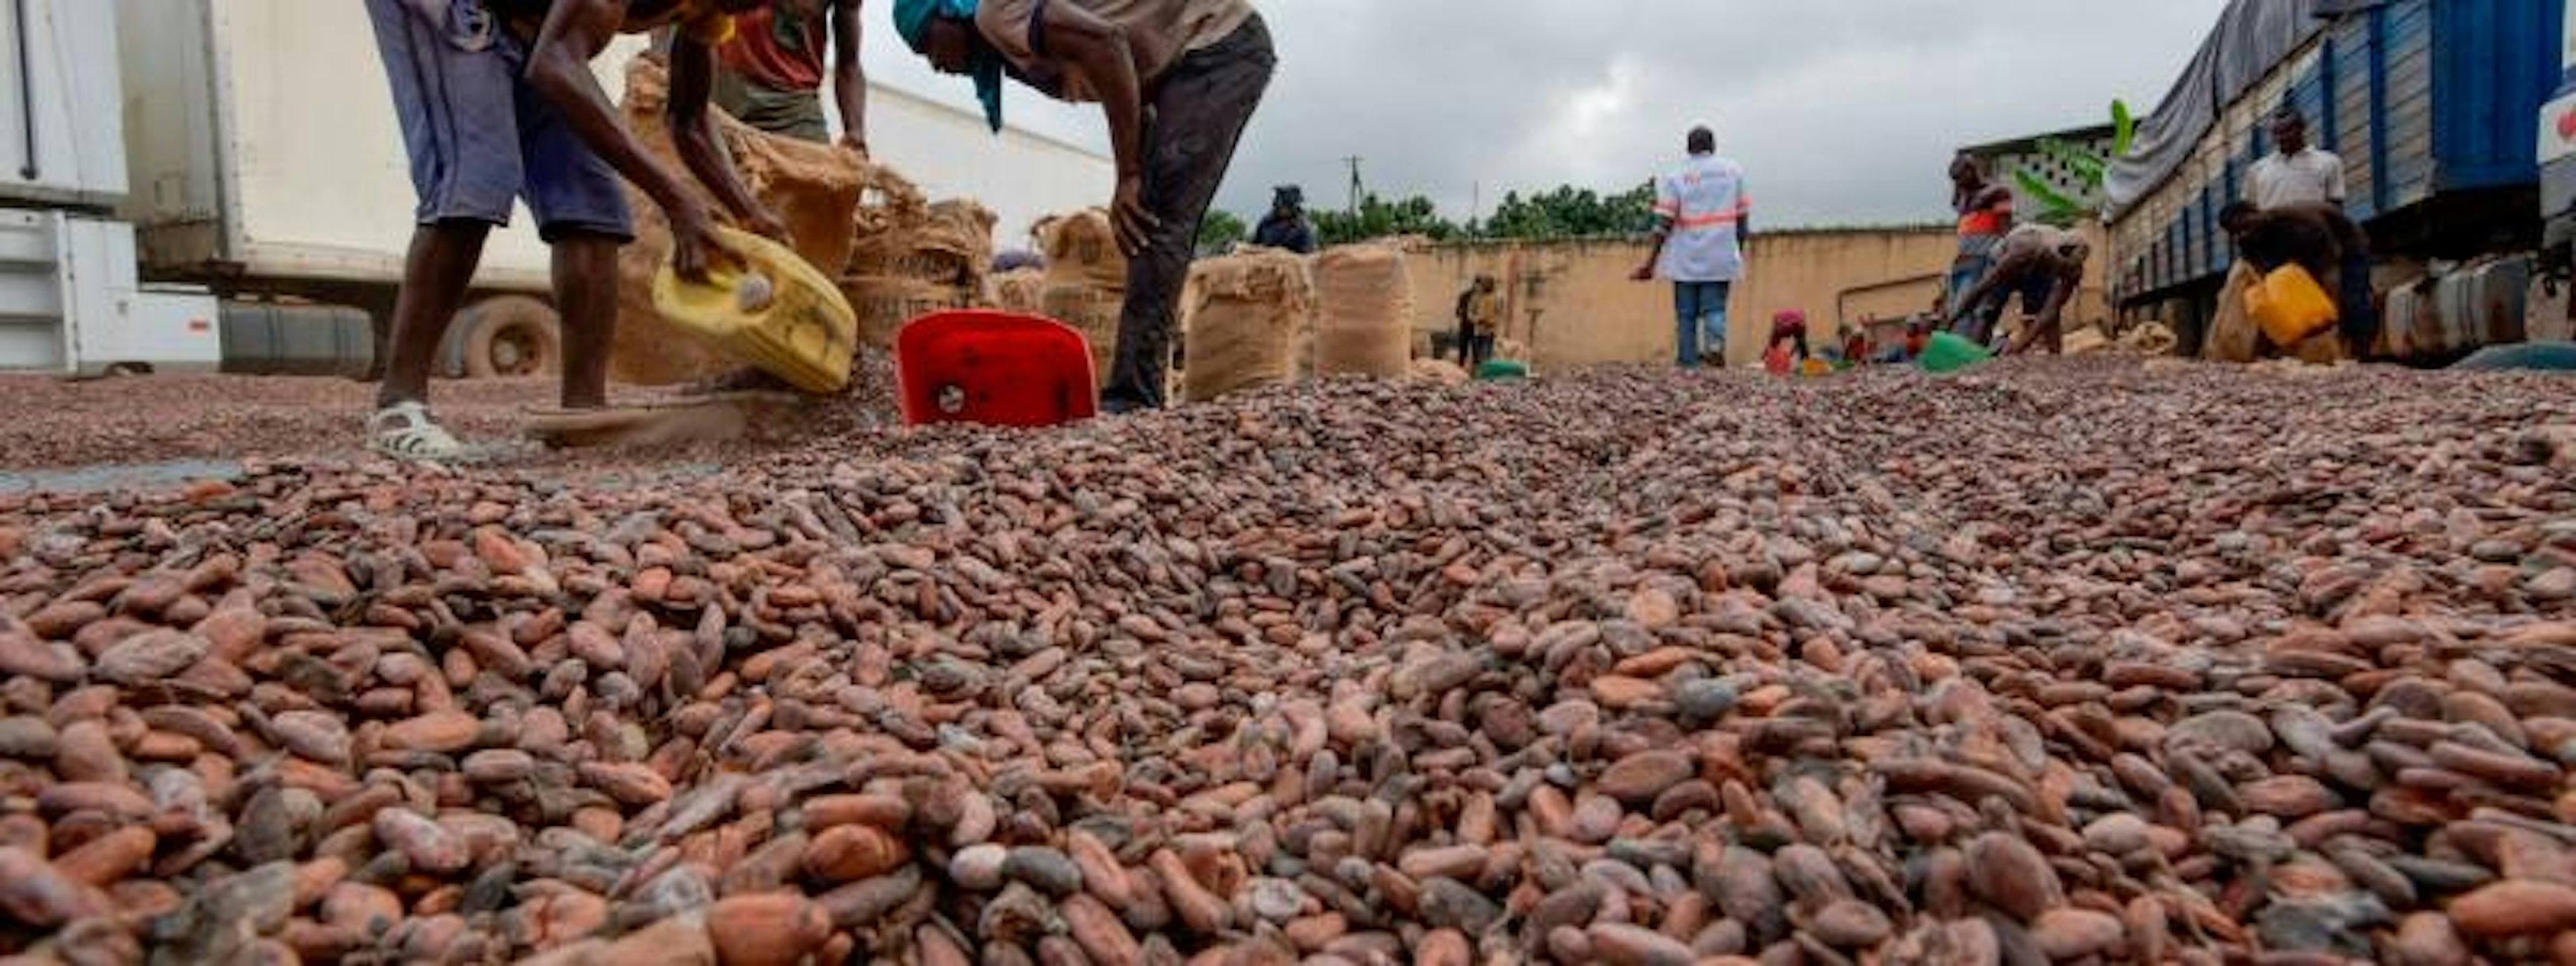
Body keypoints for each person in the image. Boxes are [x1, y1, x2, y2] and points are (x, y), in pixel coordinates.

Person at [362, 0, 788, 462]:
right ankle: (398, 407)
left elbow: (688, 119)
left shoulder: (713, 11)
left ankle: (584, 416)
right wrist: (676, 200)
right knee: (475, 177)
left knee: (592, 205)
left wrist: (750, 212)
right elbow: (556, 63)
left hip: (531, 33)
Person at [895, 0, 1274, 413]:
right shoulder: (1008, 51)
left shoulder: (996, 14)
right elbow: (1131, 78)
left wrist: (1129, 176)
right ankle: (1135, 389)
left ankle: (1134, 396)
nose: (934, 64)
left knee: (1156, 219)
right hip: (1174, 71)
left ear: (946, 12)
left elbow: (1108, 45)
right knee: (1148, 212)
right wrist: (1138, 167)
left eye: (926, 45)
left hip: (1216, 44)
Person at [1632, 125, 1750, 368]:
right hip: (1720, 255)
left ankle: (1688, 363)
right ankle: (1715, 347)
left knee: (1686, 313)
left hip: (1685, 257)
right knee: (1714, 307)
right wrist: (1736, 250)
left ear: (1688, 147)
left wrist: (1650, 263)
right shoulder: (1733, 172)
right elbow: (1742, 218)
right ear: (1713, 146)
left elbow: (1663, 223)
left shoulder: (1676, 176)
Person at [710, 0, 869, 150]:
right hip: (718, 91)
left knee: (822, 176)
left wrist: (855, 132)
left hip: (790, 109)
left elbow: (849, 63)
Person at [2219, 200, 2375, 353]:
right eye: (2236, 233)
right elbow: (2265, 278)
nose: (2244, 234)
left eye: (2246, 226)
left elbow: (2331, 273)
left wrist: (2331, 312)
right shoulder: (2247, 241)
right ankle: (2324, 348)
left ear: (2255, 212)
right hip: (2302, 255)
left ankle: (2360, 349)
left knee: (2352, 299)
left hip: (2348, 246)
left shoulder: (2299, 223)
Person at [1944, 222, 2089, 356]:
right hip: (2003, 262)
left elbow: (2049, 313)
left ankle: (2056, 359)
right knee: (1988, 311)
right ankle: (1973, 356)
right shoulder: (2024, 249)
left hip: (2039, 270)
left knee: (2047, 318)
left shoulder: (2073, 271)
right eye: (2061, 268)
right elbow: (1983, 287)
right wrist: (1954, 318)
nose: (2062, 273)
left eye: (2066, 271)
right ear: (2056, 257)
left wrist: (2017, 348)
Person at [1948, 154, 2015, 328]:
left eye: (1960, 178)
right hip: (1962, 260)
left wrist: (1997, 263)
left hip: (1982, 260)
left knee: (1968, 310)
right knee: (1954, 310)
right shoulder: (1963, 198)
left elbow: (2005, 234)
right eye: (1955, 180)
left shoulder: (1997, 193)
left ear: (1971, 172)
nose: (1958, 184)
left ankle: (1966, 354)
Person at [2247, 107, 2345, 211]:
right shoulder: (2257, 169)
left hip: (2311, 227)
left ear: (2302, 128)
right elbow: (2251, 209)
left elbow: (2336, 204)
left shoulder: (2329, 162)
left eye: (2288, 131)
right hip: (2272, 228)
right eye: (2276, 133)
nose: (2282, 137)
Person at [1250, 184, 1317, 254]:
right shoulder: (1266, 223)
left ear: (1293, 207)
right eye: (1278, 205)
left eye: (1283, 206)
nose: (1279, 208)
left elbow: (1308, 256)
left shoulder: (1303, 228)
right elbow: (1254, 245)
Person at [1452, 275, 1501, 368]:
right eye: (1481, 284)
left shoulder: (1496, 298)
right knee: (1466, 351)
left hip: (1489, 331)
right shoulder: (1470, 297)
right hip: (1473, 329)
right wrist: (1477, 320)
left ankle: (1483, 373)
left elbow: (1499, 314)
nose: (1481, 286)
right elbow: (1468, 312)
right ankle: (1465, 368)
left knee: (1485, 354)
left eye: (1485, 284)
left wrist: (1491, 322)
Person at [1762, 310, 1809, 374]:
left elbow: (1772, 342)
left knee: (1774, 344)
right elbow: (1799, 343)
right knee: (1802, 344)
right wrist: (1791, 353)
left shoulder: (1779, 319)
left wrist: (1765, 355)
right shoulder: (1798, 319)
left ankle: (1765, 360)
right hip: (1798, 325)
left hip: (1786, 326)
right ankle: (1806, 364)